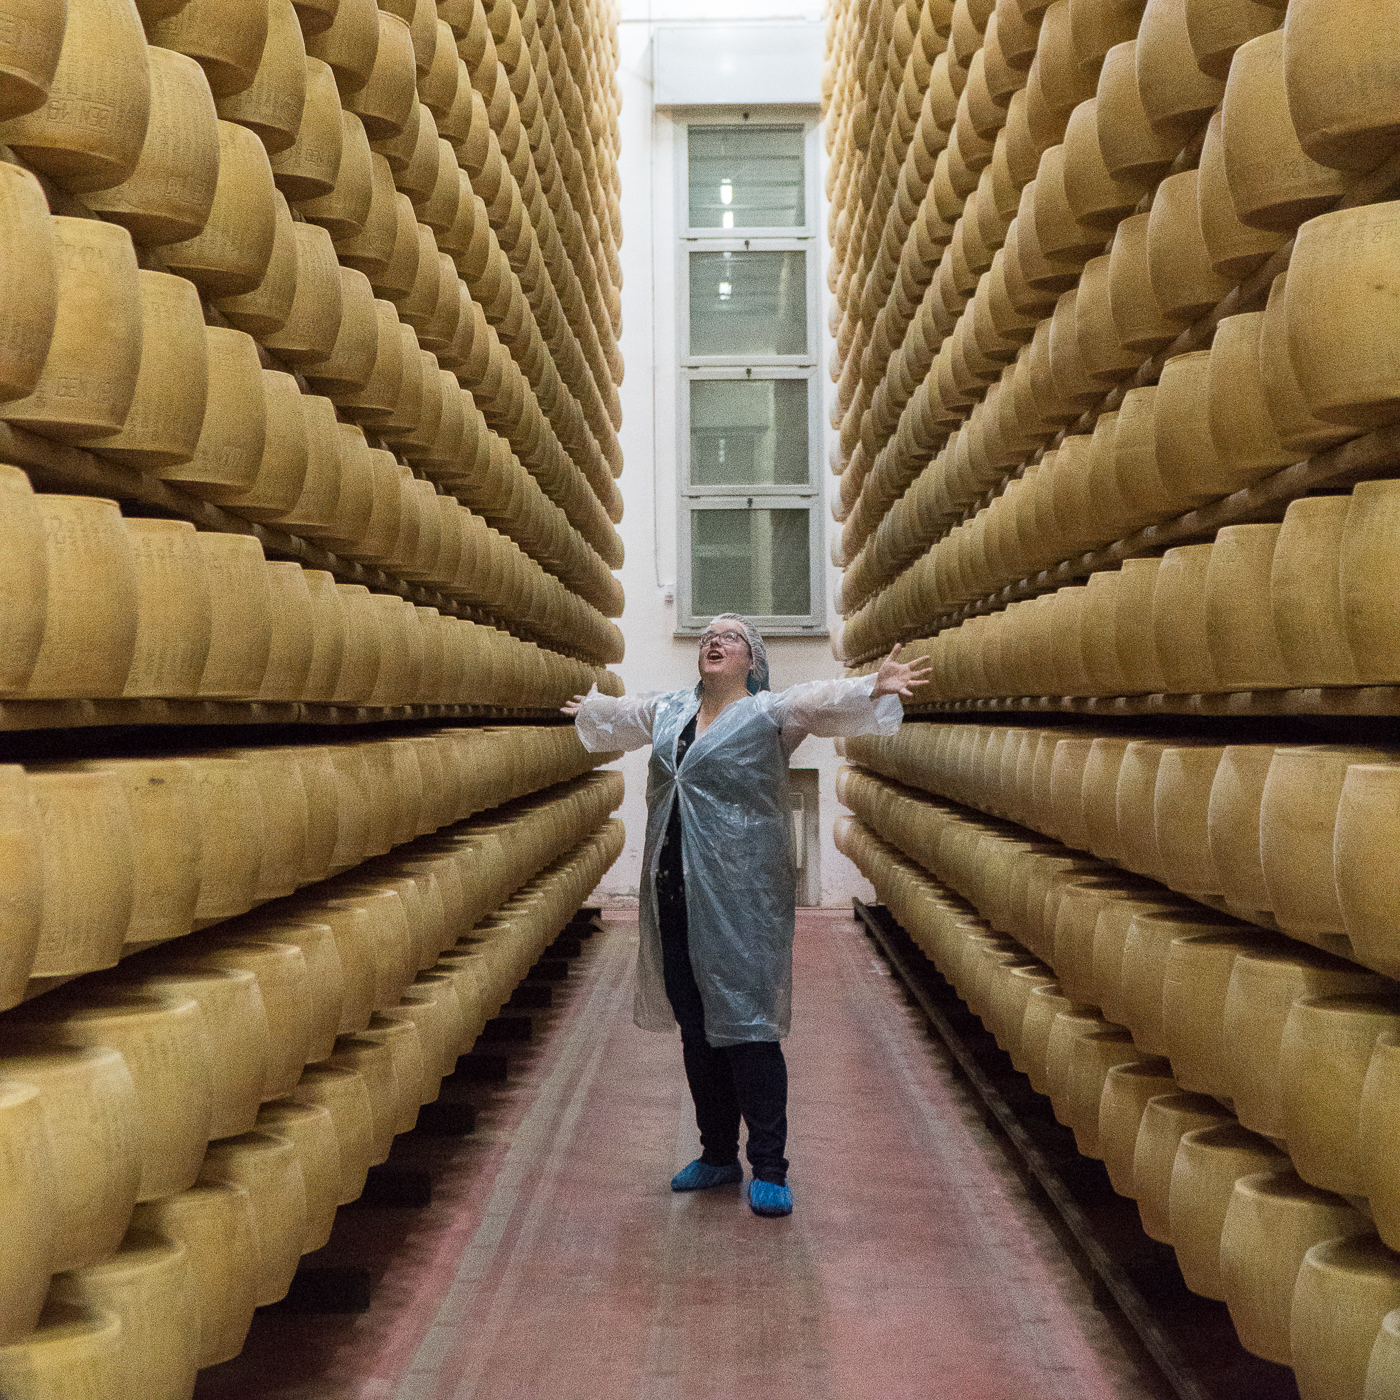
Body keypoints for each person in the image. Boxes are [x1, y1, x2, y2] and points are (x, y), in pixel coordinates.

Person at [562, 614, 932, 1218]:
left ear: (752, 660)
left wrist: (873, 684)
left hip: (742, 898)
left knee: (748, 1026)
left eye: (730, 636)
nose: (714, 639)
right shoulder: (672, 710)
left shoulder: (767, 713)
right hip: (673, 890)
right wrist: (595, 708)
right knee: (696, 1025)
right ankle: (715, 1154)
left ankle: (769, 1165)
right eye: (707, 633)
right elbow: (623, 716)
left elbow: (818, 701)